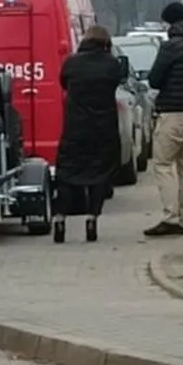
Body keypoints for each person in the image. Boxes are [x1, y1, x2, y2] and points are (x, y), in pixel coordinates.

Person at [50, 26, 128, 243]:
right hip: (103, 130)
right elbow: (118, 81)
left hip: (75, 128)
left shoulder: (71, 63)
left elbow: (64, 83)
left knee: (67, 174)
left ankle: (60, 217)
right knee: (99, 175)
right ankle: (92, 217)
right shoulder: (111, 64)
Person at [143, 2, 183, 236]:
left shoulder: (171, 47)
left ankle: (170, 216)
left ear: (169, 21)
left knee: (163, 164)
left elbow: (155, 80)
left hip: (173, 112)